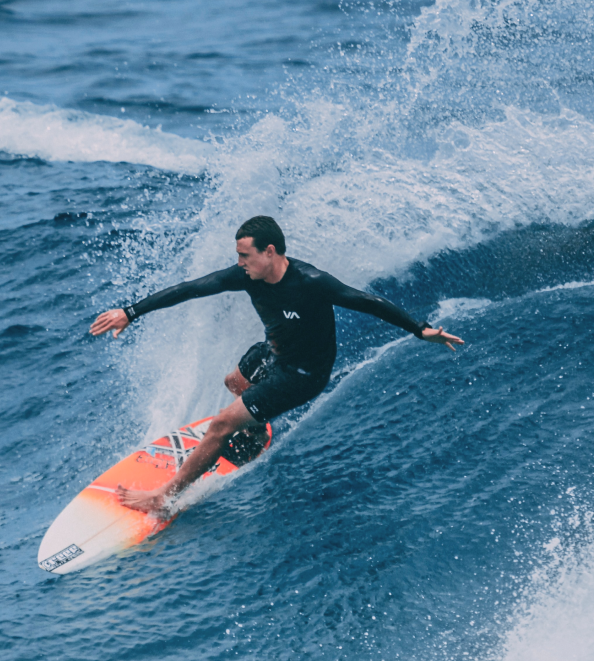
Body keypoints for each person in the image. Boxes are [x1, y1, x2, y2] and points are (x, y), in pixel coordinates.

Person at [90, 216, 464, 515]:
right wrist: (130, 312)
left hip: (304, 375)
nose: (239, 265)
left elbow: (367, 301)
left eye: (245, 256)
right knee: (233, 382)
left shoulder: (311, 282)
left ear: (269, 252)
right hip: (275, 351)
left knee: (221, 424)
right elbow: (192, 287)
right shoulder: (247, 276)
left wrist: (420, 330)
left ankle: (162, 497)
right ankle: (254, 431)